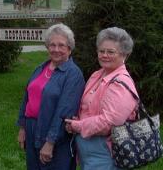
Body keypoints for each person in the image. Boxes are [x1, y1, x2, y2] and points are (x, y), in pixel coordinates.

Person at [65, 27, 139, 170]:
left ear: (124, 55)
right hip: (88, 152)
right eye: (101, 51)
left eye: (111, 52)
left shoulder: (121, 83)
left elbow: (110, 122)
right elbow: (88, 108)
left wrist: (78, 126)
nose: (104, 55)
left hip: (106, 153)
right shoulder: (97, 75)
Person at [17, 23, 85, 170]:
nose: (56, 49)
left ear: (69, 48)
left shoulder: (73, 74)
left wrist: (50, 142)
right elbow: (27, 98)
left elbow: (64, 111)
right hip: (31, 128)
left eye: (61, 45)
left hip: (53, 133)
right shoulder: (41, 68)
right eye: (52, 45)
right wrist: (22, 127)